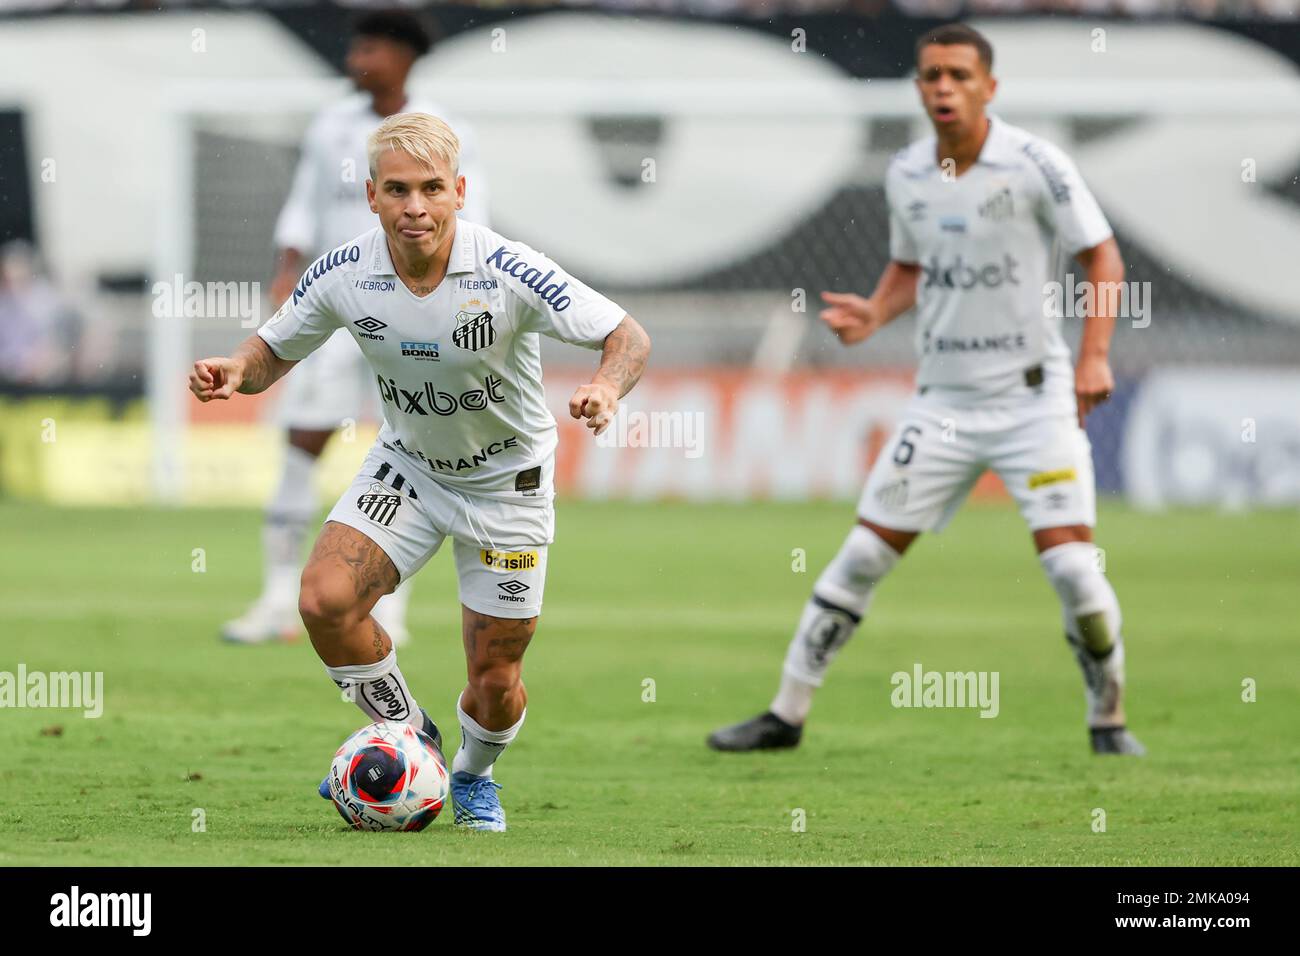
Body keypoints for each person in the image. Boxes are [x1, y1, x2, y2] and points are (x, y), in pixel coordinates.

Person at [190, 112, 651, 829]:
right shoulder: (344, 272)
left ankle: (471, 775)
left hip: (508, 487)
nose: (415, 208)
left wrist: (607, 387)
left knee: (495, 681)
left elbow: (626, 334)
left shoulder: (506, 268)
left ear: (459, 191)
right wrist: (234, 368)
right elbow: (273, 349)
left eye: (432, 189)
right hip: (407, 469)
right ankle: (412, 739)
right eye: (397, 190)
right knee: (323, 601)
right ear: (370, 195)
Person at [708, 23, 1145, 757]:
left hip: (1033, 404)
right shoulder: (908, 171)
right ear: (918, 86)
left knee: (1073, 567)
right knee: (862, 555)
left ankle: (1109, 716)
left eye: (959, 75)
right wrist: (877, 311)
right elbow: (911, 264)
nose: (943, 87)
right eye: (931, 75)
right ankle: (785, 715)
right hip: (942, 404)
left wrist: (1095, 355)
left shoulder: (1037, 165)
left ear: (989, 88)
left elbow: (1101, 256)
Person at [223, 9, 489, 646]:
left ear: (405, 57)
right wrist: (287, 277)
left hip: (421, 314)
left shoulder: (446, 129)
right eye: (356, 46)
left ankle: (387, 607)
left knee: (419, 453)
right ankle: (274, 596)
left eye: (371, 47)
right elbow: (302, 211)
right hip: (337, 311)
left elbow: (477, 219)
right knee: (300, 447)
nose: (357, 58)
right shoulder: (331, 125)